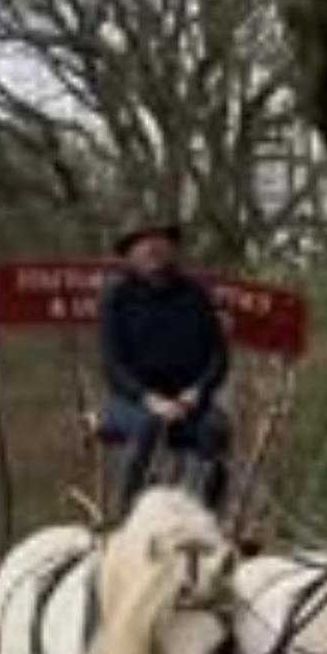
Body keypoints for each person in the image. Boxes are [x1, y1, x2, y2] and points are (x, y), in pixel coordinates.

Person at [99, 220, 231, 516]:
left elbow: (219, 357)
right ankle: (125, 515)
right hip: (131, 401)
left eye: (159, 241)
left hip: (187, 400)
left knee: (216, 429)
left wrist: (195, 393)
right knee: (148, 426)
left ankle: (206, 517)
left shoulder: (196, 295)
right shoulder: (116, 296)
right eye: (143, 243)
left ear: (171, 249)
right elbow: (112, 366)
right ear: (131, 254)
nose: (153, 248)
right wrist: (151, 400)